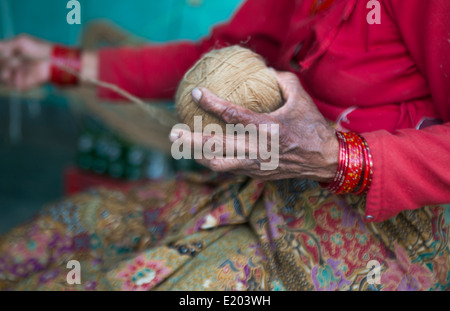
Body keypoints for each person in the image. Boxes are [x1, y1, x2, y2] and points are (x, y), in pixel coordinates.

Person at [0, 0, 449, 291]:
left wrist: (336, 157)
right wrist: (63, 65)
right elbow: (209, 58)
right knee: (63, 230)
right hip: (266, 189)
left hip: (386, 229)